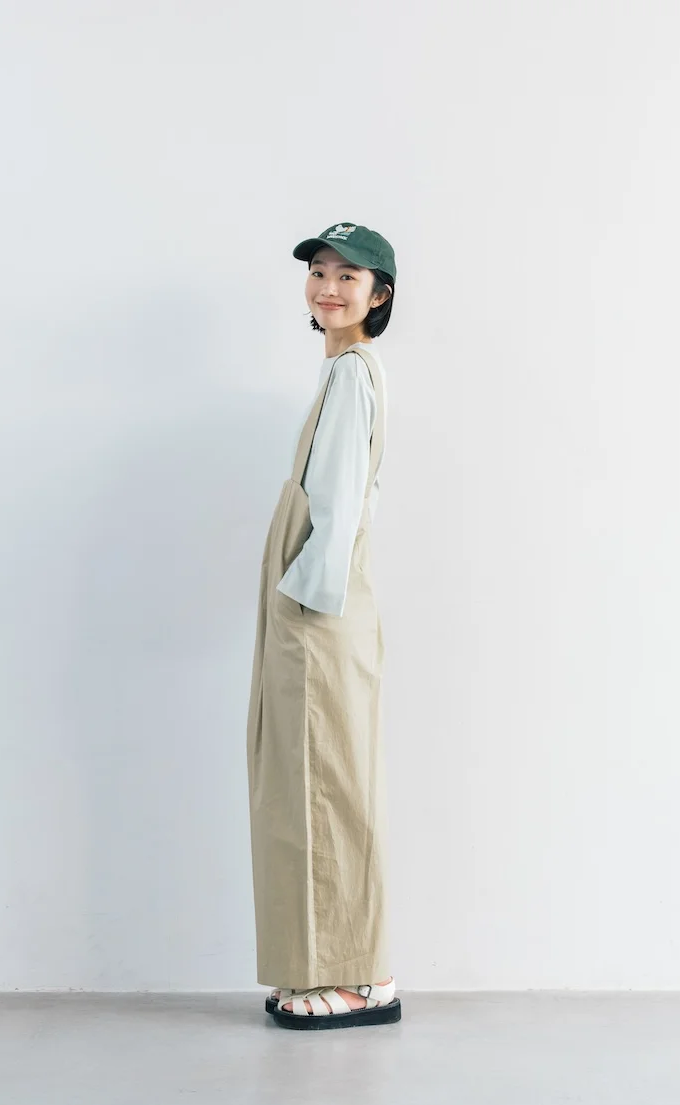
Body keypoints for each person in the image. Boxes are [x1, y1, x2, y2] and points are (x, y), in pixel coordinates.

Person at [245, 222, 401, 1030]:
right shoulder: (343, 372)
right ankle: (331, 969)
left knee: (325, 789)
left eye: (349, 276)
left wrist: (300, 602)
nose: (329, 287)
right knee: (317, 784)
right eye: (320, 272)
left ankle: (359, 979)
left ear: (379, 295)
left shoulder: (351, 376)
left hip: (320, 610)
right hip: (320, 606)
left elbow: (336, 507)